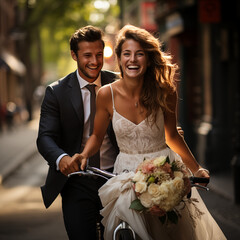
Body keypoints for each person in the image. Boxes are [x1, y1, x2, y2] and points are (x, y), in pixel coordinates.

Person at [71, 25, 226, 239]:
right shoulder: (106, 94)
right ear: (119, 58)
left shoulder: (166, 91)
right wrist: (84, 154)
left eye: (139, 54)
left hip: (165, 172)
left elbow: (171, 136)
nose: (132, 60)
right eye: (127, 54)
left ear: (148, 58)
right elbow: (96, 136)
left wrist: (196, 169)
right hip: (126, 175)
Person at [36, 25, 119, 240]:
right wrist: (61, 158)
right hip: (76, 180)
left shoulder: (120, 85)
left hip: (117, 176)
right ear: (74, 55)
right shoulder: (57, 92)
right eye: (87, 55)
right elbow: (45, 137)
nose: (94, 61)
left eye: (99, 55)